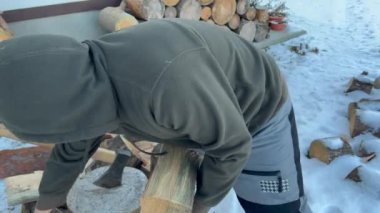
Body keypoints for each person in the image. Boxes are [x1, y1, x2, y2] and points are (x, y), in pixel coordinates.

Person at [0, 19, 305, 213]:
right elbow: (74, 140)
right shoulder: (85, 82)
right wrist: (47, 204)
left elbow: (233, 146)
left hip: (258, 110)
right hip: (204, 104)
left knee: (271, 204)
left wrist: (196, 206)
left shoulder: (165, 87)